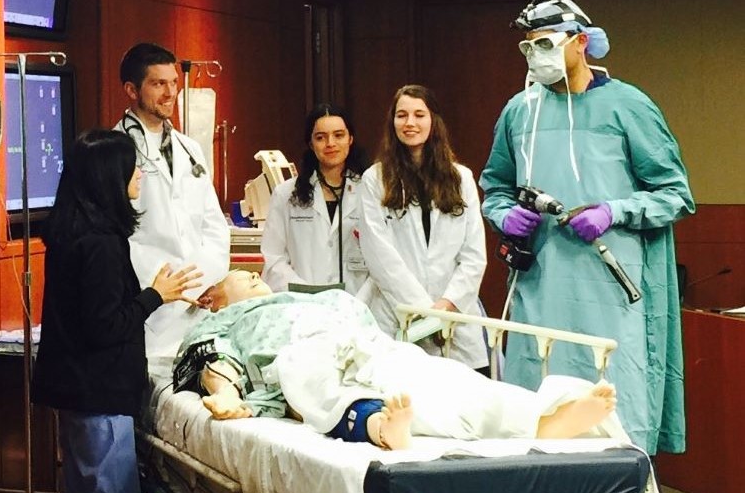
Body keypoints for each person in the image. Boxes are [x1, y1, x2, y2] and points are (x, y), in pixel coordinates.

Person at [480, 0, 695, 493]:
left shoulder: (627, 106)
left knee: (619, 430)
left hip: (612, 295)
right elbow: (495, 184)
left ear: (580, 39)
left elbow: (675, 193)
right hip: (543, 293)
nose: (536, 56)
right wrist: (504, 216)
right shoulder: (519, 112)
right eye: (527, 46)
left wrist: (617, 210)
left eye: (546, 42)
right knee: (548, 430)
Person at [32, 129, 201, 493]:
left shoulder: (70, 231)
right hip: (101, 394)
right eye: (131, 169)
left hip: (76, 392)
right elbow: (108, 326)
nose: (139, 177)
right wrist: (157, 294)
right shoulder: (102, 244)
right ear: (108, 177)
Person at [174, 271, 621, 450]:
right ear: (218, 302)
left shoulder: (319, 299)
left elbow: (365, 326)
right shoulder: (229, 320)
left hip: (368, 345)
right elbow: (214, 360)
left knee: (443, 376)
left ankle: (542, 419)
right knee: (320, 388)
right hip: (299, 355)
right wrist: (227, 394)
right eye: (244, 279)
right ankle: (381, 430)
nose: (257, 278)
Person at [358, 85, 488, 369]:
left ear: (434, 121)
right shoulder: (375, 179)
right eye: (401, 115)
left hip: (455, 317)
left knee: (462, 401)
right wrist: (423, 311)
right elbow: (379, 254)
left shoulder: (461, 178)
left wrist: (446, 305)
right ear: (392, 123)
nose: (410, 123)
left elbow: (474, 254)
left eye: (419, 114)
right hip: (399, 314)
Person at [115, 43, 230, 360]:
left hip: (199, 301)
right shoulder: (116, 150)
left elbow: (214, 224)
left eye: (174, 82)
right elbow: (119, 232)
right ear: (131, 89)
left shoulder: (190, 148)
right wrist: (162, 286)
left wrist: (203, 278)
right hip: (152, 307)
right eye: (158, 83)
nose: (170, 93)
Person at [261, 103, 370, 294]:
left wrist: (361, 301)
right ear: (311, 144)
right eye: (321, 137)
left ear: (350, 139)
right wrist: (305, 294)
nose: (330, 143)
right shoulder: (286, 194)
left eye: (339, 135)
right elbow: (273, 259)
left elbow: (381, 259)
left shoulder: (369, 191)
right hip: (301, 304)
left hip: (358, 303)